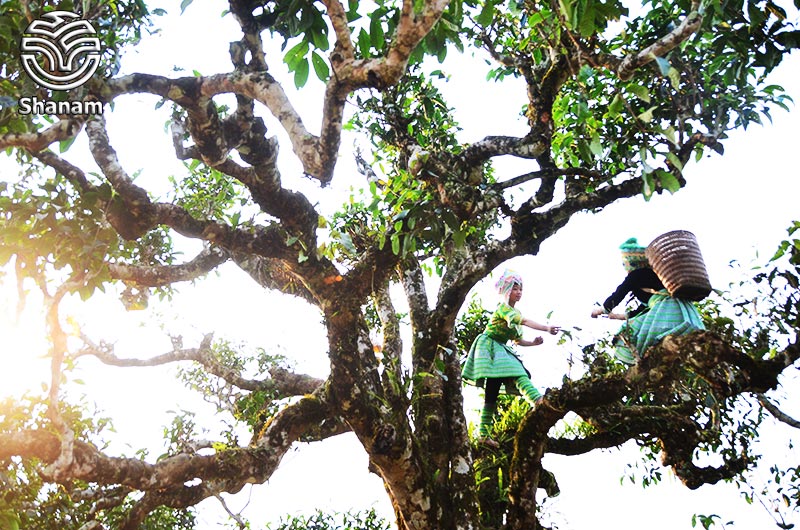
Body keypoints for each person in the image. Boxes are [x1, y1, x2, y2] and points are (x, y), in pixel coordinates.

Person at [462, 269, 560, 446]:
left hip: (500, 348)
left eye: (520, 289)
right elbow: (524, 321)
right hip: (490, 347)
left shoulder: (515, 312)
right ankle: (536, 401)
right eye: (515, 288)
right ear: (507, 290)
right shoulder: (504, 309)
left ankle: (484, 434)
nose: (519, 292)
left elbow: (517, 340)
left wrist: (533, 343)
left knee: (505, 382)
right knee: (506, 380)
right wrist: (546, 328)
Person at [591, 237, 705, 364]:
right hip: (683, 310)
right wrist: (618, 316)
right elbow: (645, 308)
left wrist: (603, 310)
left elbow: (618, 294)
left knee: (631, 335)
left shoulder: (635, 275)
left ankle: (645, 362)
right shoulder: (656, 274)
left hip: (667, 311)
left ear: (631, 262)